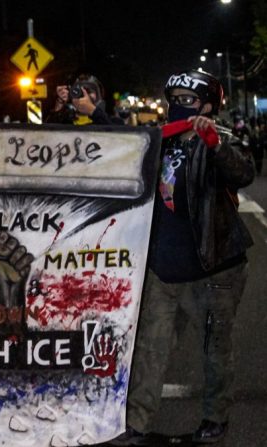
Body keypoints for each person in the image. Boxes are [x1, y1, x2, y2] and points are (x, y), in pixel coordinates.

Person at [112, 69, 254, 445]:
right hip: (163, 267)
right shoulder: (158, 140)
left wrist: (215, 145)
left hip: (214, 267)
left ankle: (215, 420)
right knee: (149, 349)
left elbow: (243, 172)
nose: (179, 106)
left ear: (208, 105)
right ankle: (136, 425)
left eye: (188, 100)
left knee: (214, 349)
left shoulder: (219, 138)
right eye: (174, 98)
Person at [46, 74, 123, 125]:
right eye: (80, 91)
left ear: (99, 95)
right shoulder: (65, 122)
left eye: (89, 91)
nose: (84, 95)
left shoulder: (115, 122)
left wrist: (93, 111)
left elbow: (118, 140)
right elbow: (46, 138)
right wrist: (59, 105)